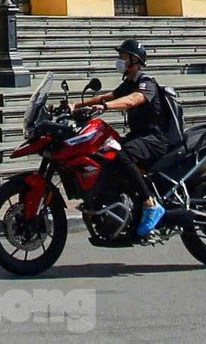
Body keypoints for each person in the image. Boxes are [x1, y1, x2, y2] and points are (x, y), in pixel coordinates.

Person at [73, 38, 181, 238]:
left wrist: (105, 107)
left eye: (123, 57)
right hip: (139, 136)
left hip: (153, 138)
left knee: (122, 155)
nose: (120, 61)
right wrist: (76, 106)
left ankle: (150, 204)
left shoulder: (145, 82)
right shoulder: (129, 83)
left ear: (135, 60)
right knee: (106, 153)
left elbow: (133, 100)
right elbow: (107, 96)